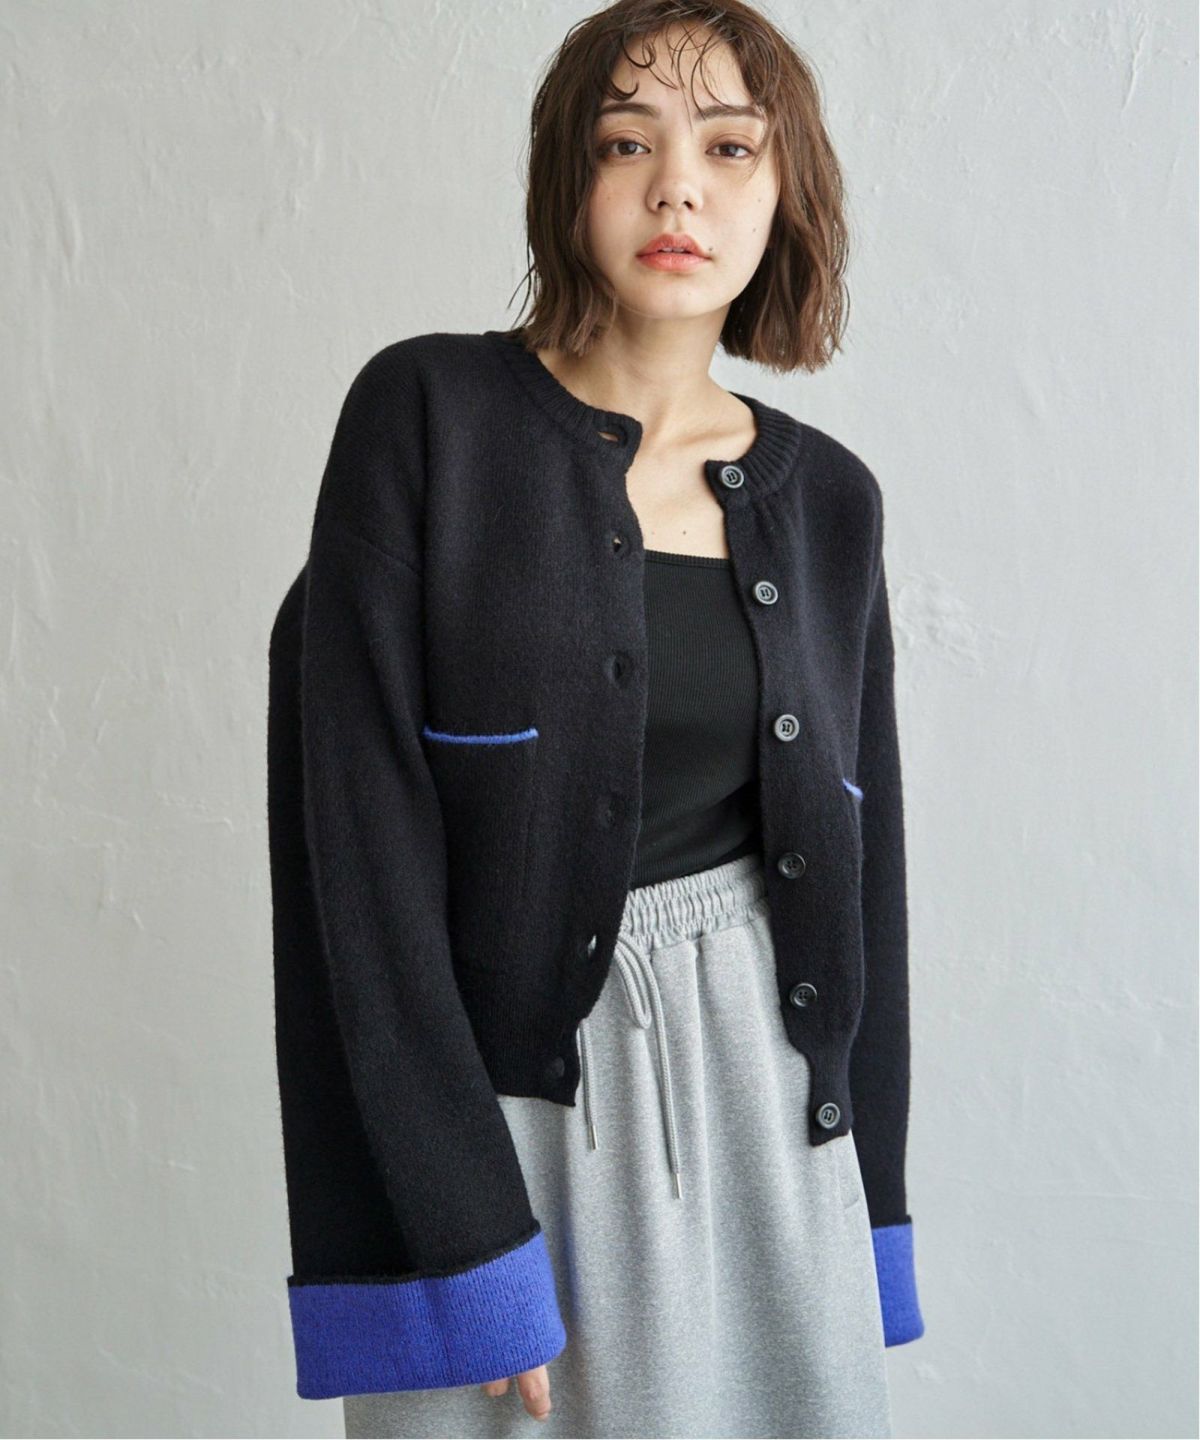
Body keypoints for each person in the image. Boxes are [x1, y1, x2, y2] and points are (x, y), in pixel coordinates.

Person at [266, 2, 926, 1435]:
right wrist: (464, 1234)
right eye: (627, 143)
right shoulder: (426, 417)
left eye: (729, 147)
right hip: (507, 1124)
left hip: (768, 1110)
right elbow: (357, 863)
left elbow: (864, 883)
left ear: (786, 192)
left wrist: (870, 1209)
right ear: (568, 184)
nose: (677, 187)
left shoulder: (831, 503)